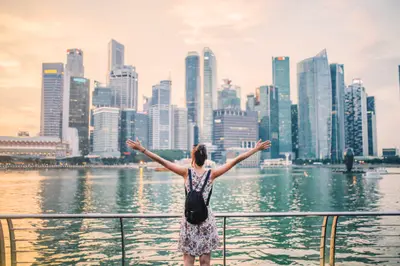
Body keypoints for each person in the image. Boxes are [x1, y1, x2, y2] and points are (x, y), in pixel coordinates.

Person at [126, 138, 271, 266]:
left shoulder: (185, 173)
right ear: (206, 158)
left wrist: (142, 149)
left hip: (189, 222)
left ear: (192, 157)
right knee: (205, 262)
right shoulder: (211, 174)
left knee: (188, 261)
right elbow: (235, 161)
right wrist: (255, 149)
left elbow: (162, 161)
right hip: (206, 221)